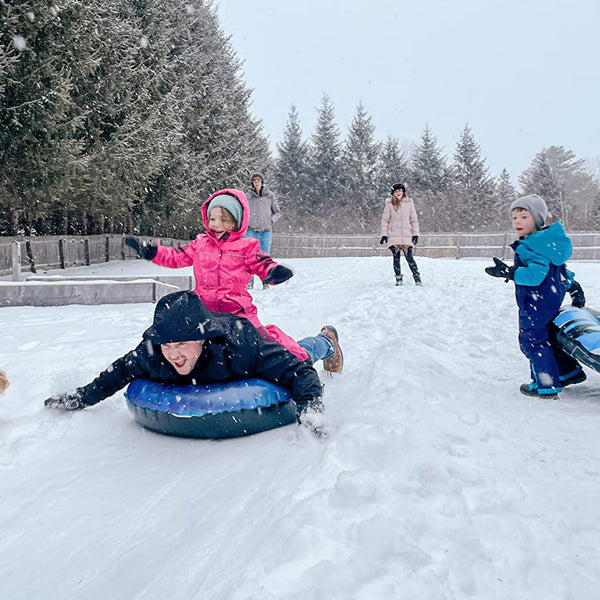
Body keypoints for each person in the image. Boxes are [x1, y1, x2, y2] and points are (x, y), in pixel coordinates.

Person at [124, 189, 343, 374]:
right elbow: (175, 256)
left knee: (283, 356)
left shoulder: (247, 246)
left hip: (240, 316)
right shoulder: (200, 244)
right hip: (205, 316)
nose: (217, 224)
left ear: (236, 221)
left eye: (224, 219)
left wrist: (273, 272)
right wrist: (151, 252)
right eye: (213, 218)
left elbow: (262, 263)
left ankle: (325, 343)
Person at [44, 291, 329, 431]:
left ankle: (326, 340)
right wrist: (80, 397)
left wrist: (311, 410)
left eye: (182, 344)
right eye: (168, 344)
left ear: (202, 340)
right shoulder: (153, 355)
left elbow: (299, 372)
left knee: (301, 352)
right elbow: (115, 374)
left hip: (257, 337)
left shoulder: (240, 348)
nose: (174, 354)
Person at [485, 194, 587, 398]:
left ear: (538, 219)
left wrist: (510, 273)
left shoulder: (532, 246)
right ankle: (568, 372)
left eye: (524, 217)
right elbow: (557, 270)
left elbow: (535, 276)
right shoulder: (546, 242)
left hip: (536, 303)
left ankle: (545, 385)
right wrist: (573, 285)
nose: (517, 222)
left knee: (532, 341)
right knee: (547, 336)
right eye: (514, 217)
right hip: (548, 300)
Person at [379, 183, 422, 286]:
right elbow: (385, 221)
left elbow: (414, 220)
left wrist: (415, 234)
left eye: (400, 191)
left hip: (407, 235)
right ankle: (398, 279)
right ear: (393, 193)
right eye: (396, 191)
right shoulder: (389, 205)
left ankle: (417, 279)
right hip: (394, 236)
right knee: (396, 258)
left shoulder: (409, 204)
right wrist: (384, 235)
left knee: (410, 258)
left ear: (403, 192)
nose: (398, 193)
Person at [246, 173, 281, 289]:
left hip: (266, 230)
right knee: (250, 257)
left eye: (258, 180)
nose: (256, 182)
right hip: (251, 230)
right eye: (254, 180)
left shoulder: (269, 195)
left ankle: (266, 281)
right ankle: (249, 283)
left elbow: (277, 212)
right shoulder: (247, 196)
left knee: (265, 257)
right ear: (252, 183)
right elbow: (242, 211)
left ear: (262, 182)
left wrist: (271, 220)